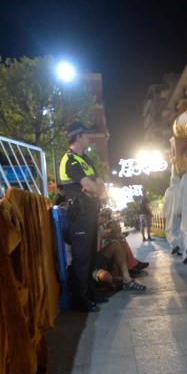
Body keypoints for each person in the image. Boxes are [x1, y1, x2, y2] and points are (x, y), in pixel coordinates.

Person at [57, 122, 105, 312]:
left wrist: (96, 188)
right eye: (87, 134)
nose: (90, 137)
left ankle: (90, 293)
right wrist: (96, 189)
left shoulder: (85, 158)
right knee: (82, 258)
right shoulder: (71, 160)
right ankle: (80, 300)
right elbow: (91, 185)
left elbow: (98, 182)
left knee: (90, 256)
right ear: (78, 137)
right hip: (79, 214)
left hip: (89, 212)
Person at [92, 209, 147, 291]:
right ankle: (130, 268)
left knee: (120, 243)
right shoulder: (93, 227)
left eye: (105, 216)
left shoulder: (101, 226)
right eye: (101, 216)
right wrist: (111, 231)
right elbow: (98, 247)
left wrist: (116, 232)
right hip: (94, 264)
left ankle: (128, 275)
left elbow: (110, 233)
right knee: (106, 277)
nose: (104, 219)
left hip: (101, 257)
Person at [163, 170, 183, 255]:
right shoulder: (181, 189)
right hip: (179, 213)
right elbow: (183, 200)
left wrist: (164, 213)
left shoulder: (168, 190)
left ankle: (175, 245)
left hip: (170, 214)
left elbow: (165, 202)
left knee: (170, 230)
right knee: (179, 230)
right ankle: (179, 247)